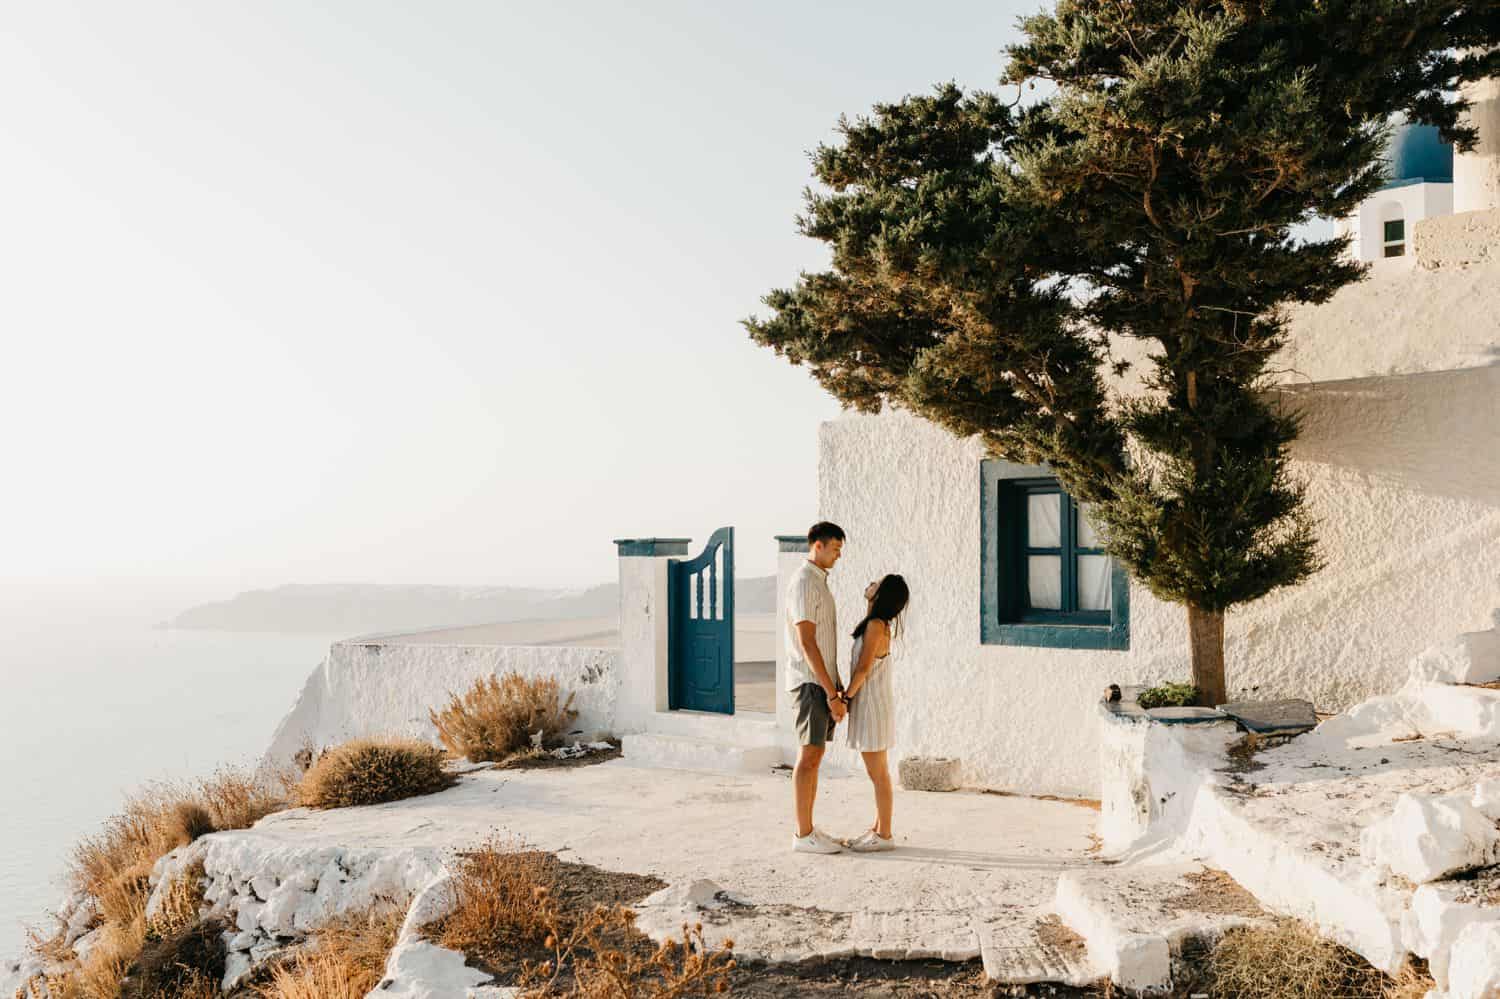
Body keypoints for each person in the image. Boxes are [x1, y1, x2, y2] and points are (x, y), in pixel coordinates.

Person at [788, 521, 847, 854]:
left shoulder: (817, 582)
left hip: (820, 682)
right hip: (810, 683)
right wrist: (831, 692)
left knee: (815, 755)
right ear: (818, 545)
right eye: (836, 549)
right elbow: (807, 643)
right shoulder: (804, 583)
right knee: (808, 756)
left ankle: (807, 829)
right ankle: (803, 834)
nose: (839, 556)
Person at [841, 574, 910, 853]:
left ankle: (884, 834)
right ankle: (878, 828)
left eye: (876, 582)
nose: (869, 582)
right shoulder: (877, 625)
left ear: (880, 594)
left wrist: (844, 698)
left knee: (878, 774)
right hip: (873, 705)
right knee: (878, 772)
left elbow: (863, 669)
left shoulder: (875, 626)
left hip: (871, 706)